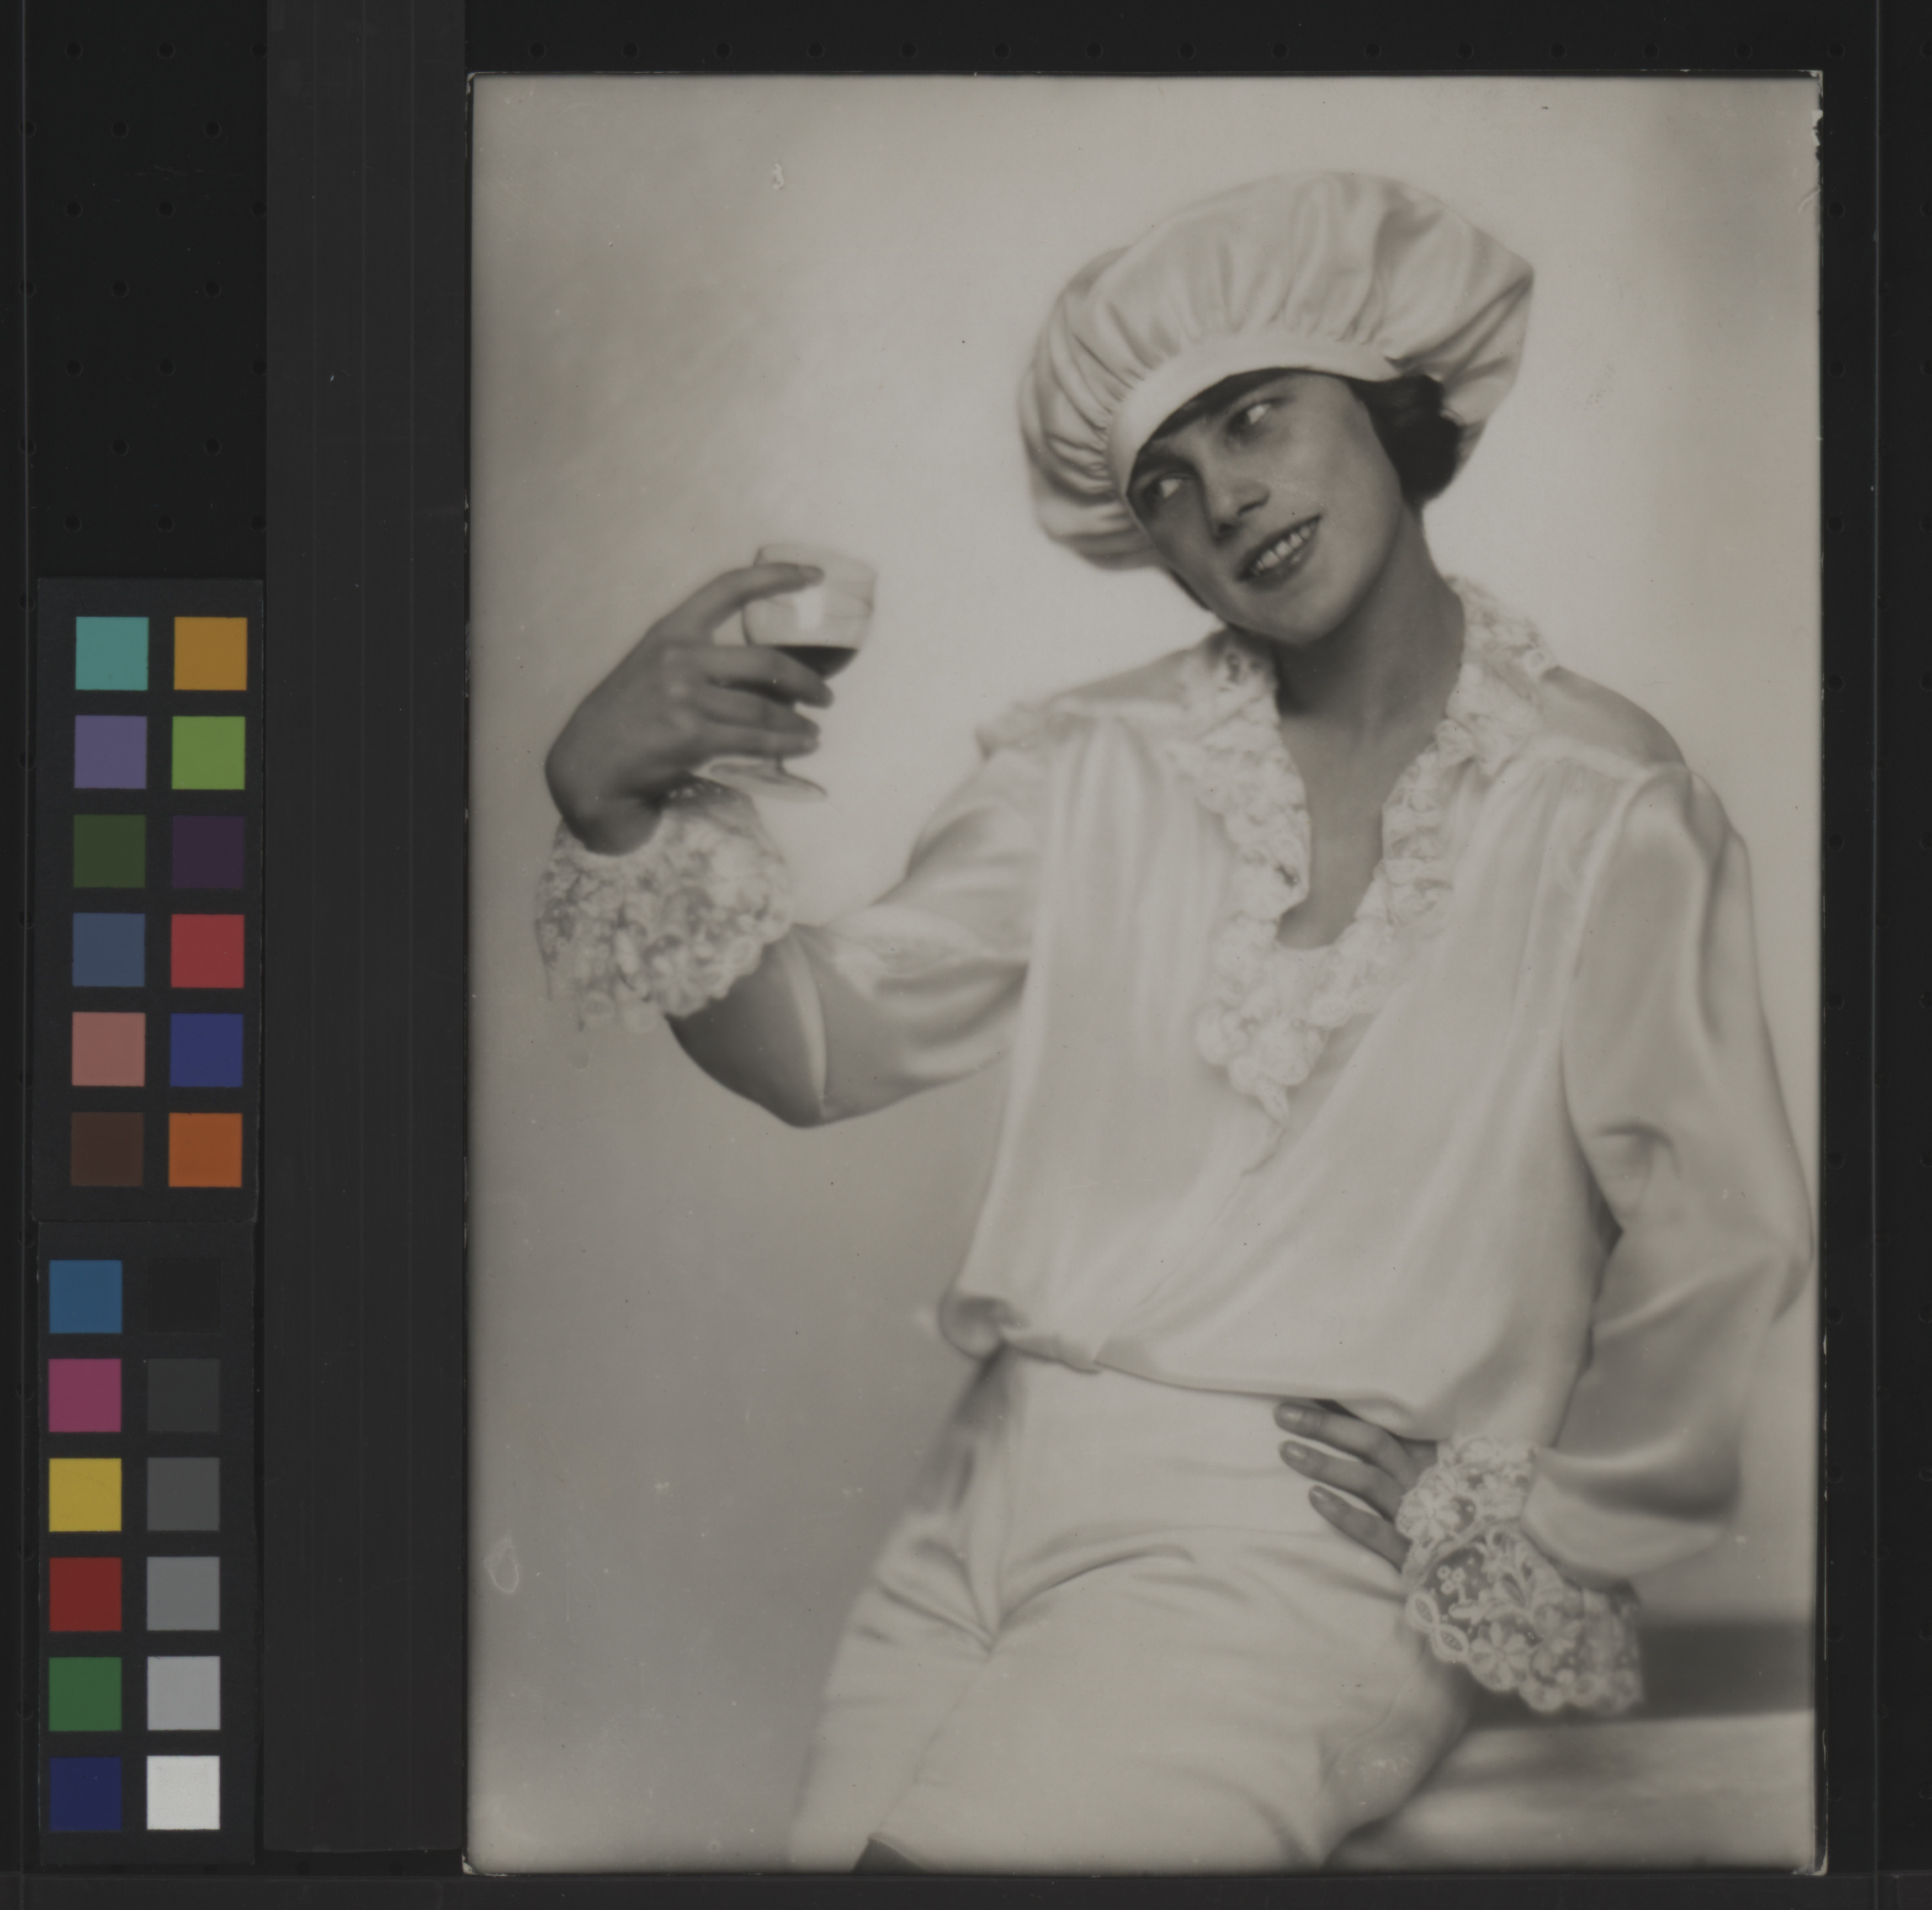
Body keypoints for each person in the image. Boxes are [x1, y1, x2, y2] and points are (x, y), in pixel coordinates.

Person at [535, 172, 1813, 1873]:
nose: (1223, 496)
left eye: (1255, 415)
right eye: (1164, 480)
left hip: (1285, 1543)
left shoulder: (1603, 802)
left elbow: (1720, 1230)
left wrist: (1547, 1519)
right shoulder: (1090, 764)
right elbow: (815, 1049)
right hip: (974, 1503)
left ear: (1380, 399)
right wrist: (615, 810)